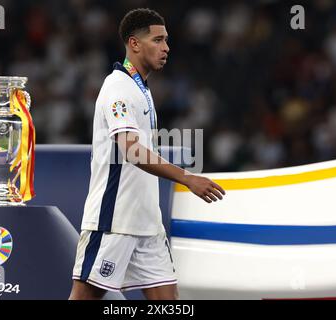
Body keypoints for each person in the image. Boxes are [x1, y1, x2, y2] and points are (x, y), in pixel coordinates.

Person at [69, 8, 225, 300]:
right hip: (113, 221)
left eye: (166, 40)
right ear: (135, 43)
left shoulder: (141, 88)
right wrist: (187, 177)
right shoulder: (118, 87)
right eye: (158, 40)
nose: (166, 47)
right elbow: (131, 150)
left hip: (148, 224)